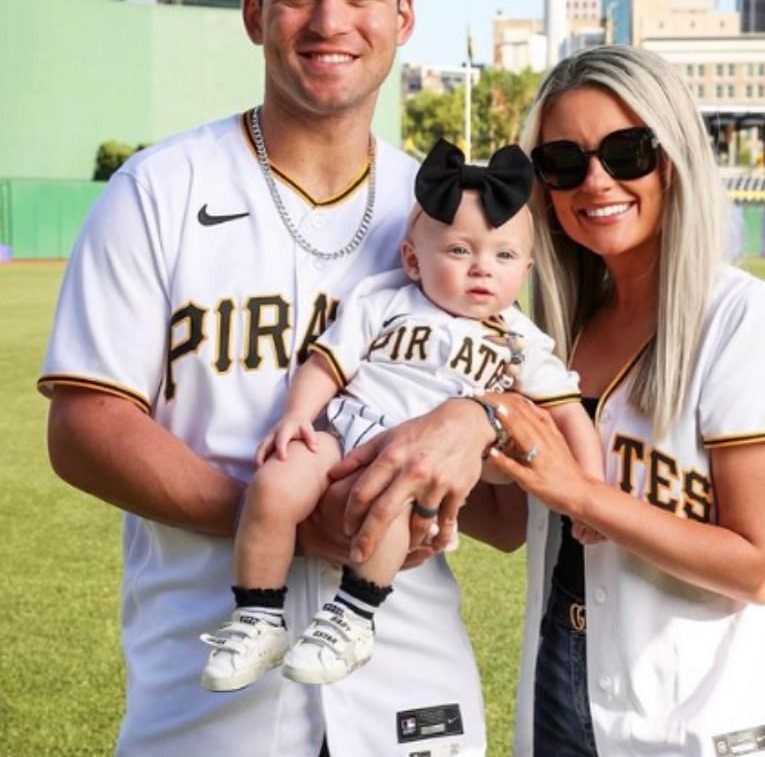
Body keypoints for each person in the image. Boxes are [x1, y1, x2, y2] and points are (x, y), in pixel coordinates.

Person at [39, 0, 492, 755]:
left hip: (412, 688)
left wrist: (483, 419)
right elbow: (84, 427)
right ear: (253, 14)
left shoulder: (447, 214)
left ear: (403, 19)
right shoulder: (159, 189)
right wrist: (275, 514)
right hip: (208, 700)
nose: (330, 20)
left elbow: (516, 459)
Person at [436, 45, 765, 755]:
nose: (597, 180)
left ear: (673, 157)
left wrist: (581, 493)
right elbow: (515, 520)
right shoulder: (553, 333)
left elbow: (757, 566)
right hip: (559, 693)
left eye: (628, 150)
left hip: (699, 716)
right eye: (563, 162)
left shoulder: (742, 318)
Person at [199, 143, 605, 692]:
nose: (483, 267)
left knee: (394, 507)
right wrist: (297, 415)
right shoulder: (386, 298)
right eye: (460, 250)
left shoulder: (519, 341)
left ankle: (353, 616)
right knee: (272, 485)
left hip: (416, 464)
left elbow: (568, 413)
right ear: (413, 258)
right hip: (342, 429)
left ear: (526, 270)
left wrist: (588, 489)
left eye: (504, 256)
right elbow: (328, 363)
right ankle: (257, 616)